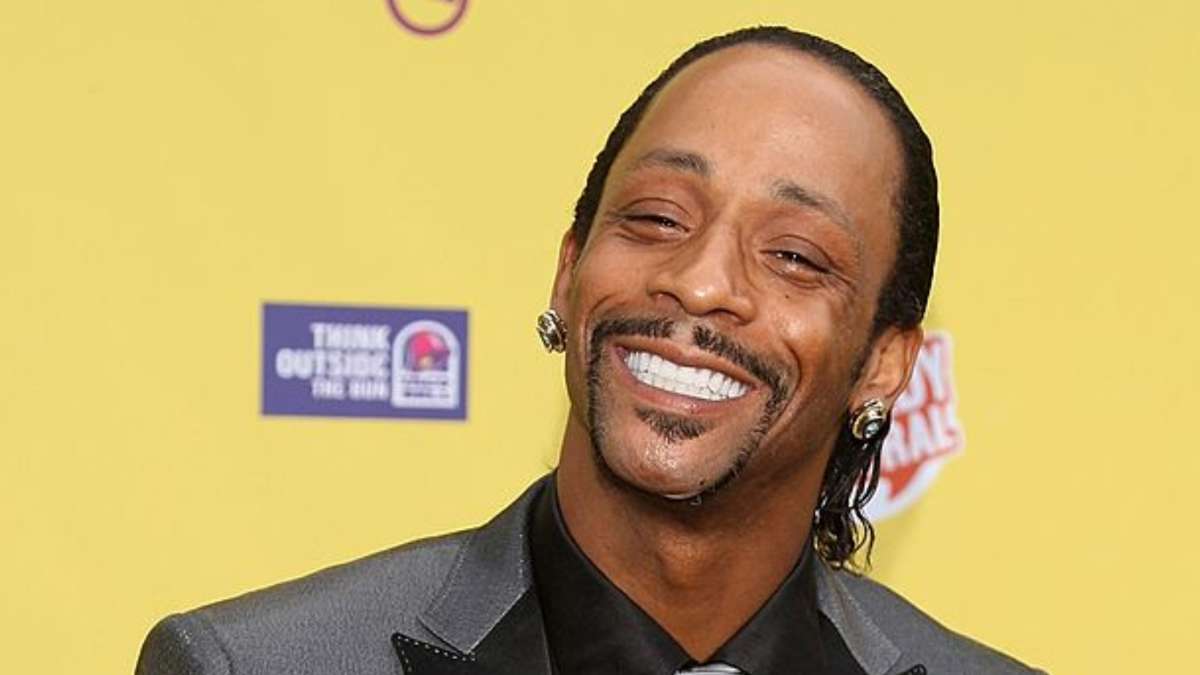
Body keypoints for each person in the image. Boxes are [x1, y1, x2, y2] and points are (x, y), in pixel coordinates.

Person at [137, 26, 1044, 675]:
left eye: (795, 256)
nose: (700, 281)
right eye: (657, 218)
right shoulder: (253, 662)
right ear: (568, 274)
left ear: (883, 364)